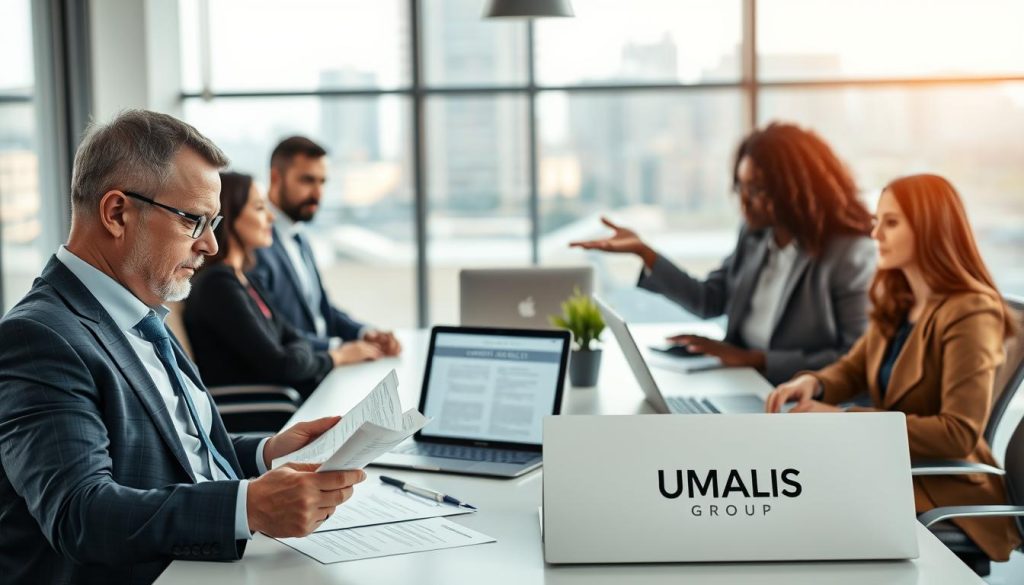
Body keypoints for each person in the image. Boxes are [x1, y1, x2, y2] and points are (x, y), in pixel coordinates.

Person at [0, 110, 366, 585]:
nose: (211, 245)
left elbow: (174, 447)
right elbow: (80, 512)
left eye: (213, 222)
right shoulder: (40, 337)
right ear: (117, 213)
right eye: (194, 220)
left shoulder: (139, 307)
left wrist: (266, 455)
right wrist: (247, 505)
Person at [765, 174, 1021, 561]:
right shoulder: (901, 298)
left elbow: (958, 433)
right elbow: (852, 369)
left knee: (802, 510)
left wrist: (847, 418)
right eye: (876, 221)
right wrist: (813, 384)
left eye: (892, 223)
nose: (875, 234)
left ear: (931, 229)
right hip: (895, 468)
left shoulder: (971, 312)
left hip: (944, 483)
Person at [571, 122, 876, 384]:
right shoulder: (756, 236)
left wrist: (754, 359)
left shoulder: (848, 254)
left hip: (797, 396)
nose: (744, 201)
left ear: (795, 189)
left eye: (757, 190)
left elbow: (853, 357)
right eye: (740, 187)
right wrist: (644, 252)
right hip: (741, 381)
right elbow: (709, 299)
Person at [185, 172, 379, 396]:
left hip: (284, 397)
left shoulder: (243, 279)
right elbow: (282, 364)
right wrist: (337, 356)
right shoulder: (218, 286)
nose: (271, 218)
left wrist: (296, 351)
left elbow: (293, 337)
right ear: (229, 216)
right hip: (264, 411)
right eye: (259, 208)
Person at [248, 136, 401, 358]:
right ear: (276, 177)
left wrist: (365, 333)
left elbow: (321, 310)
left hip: (326, 364)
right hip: (304, 372)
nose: (318, 194)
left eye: (322, 182)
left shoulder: (300, 238)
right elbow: (272, 334)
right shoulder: (254, 245)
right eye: (307, 180)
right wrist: (338, 349)